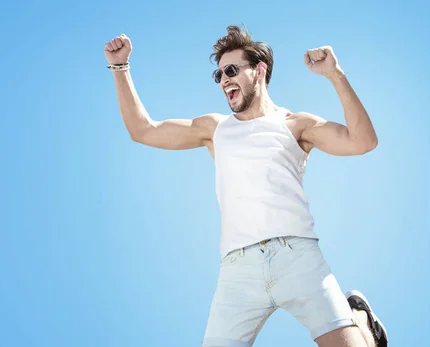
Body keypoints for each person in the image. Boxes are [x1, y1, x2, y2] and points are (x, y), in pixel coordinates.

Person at [103, 25, 389, 347]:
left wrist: (334, 74)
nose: (224, 80)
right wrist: (120, 67)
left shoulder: (295, 124)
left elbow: (364, 141)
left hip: (296, 256)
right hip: (238, 271)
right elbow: (144, 130)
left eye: (231, 70)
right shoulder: (214, 129)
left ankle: (361, 319)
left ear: (260, 71)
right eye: (218, 75)